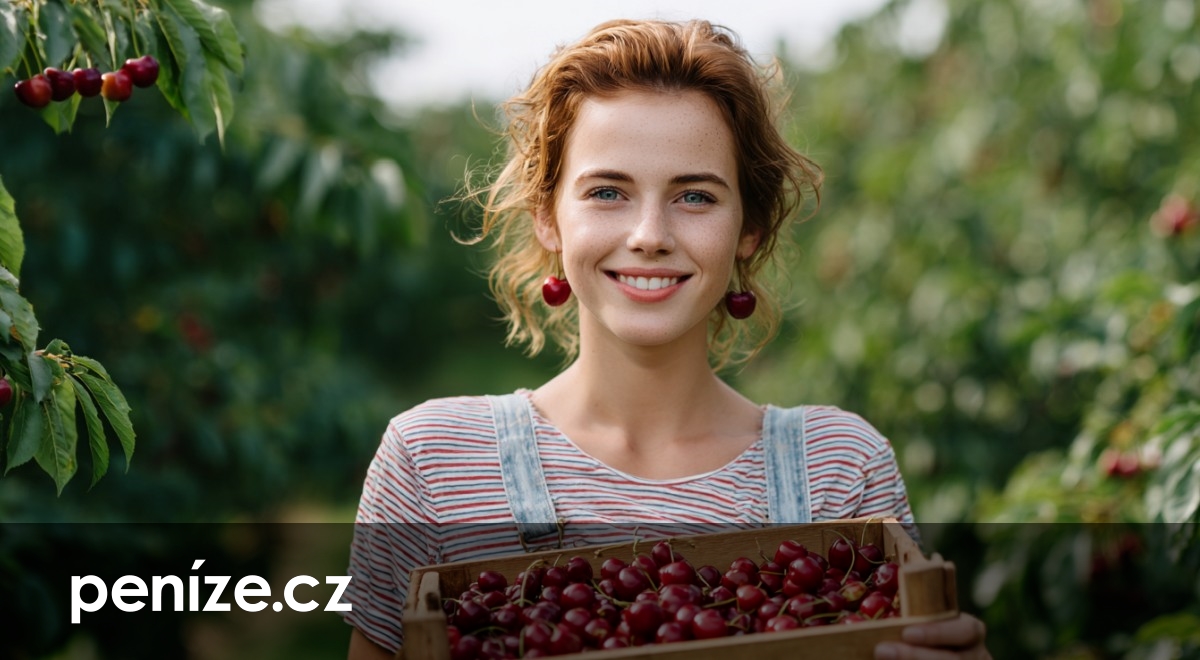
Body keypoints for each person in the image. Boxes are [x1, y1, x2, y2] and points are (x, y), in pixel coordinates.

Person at [344, 18, 989, 660]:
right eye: (606, 191)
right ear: (548, 217)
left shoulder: (841, 472)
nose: (649, 234)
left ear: (749, 229)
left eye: (695, 198)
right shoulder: (433, 466)